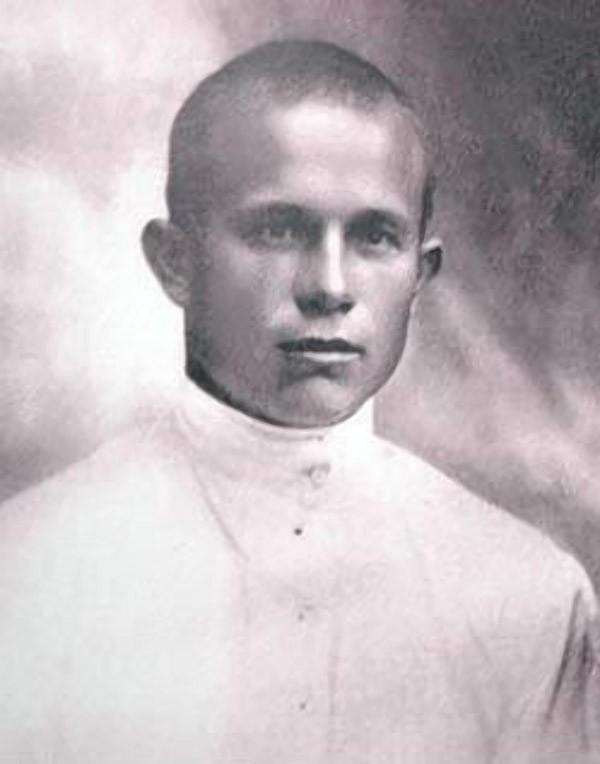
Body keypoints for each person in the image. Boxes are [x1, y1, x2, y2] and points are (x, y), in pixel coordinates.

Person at [0, 39, 598, 764]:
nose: (329, 286)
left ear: (419, 273)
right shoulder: (28, 575)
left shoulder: (529, 598)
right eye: (278, 230)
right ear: (175, 262)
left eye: (375, 237)